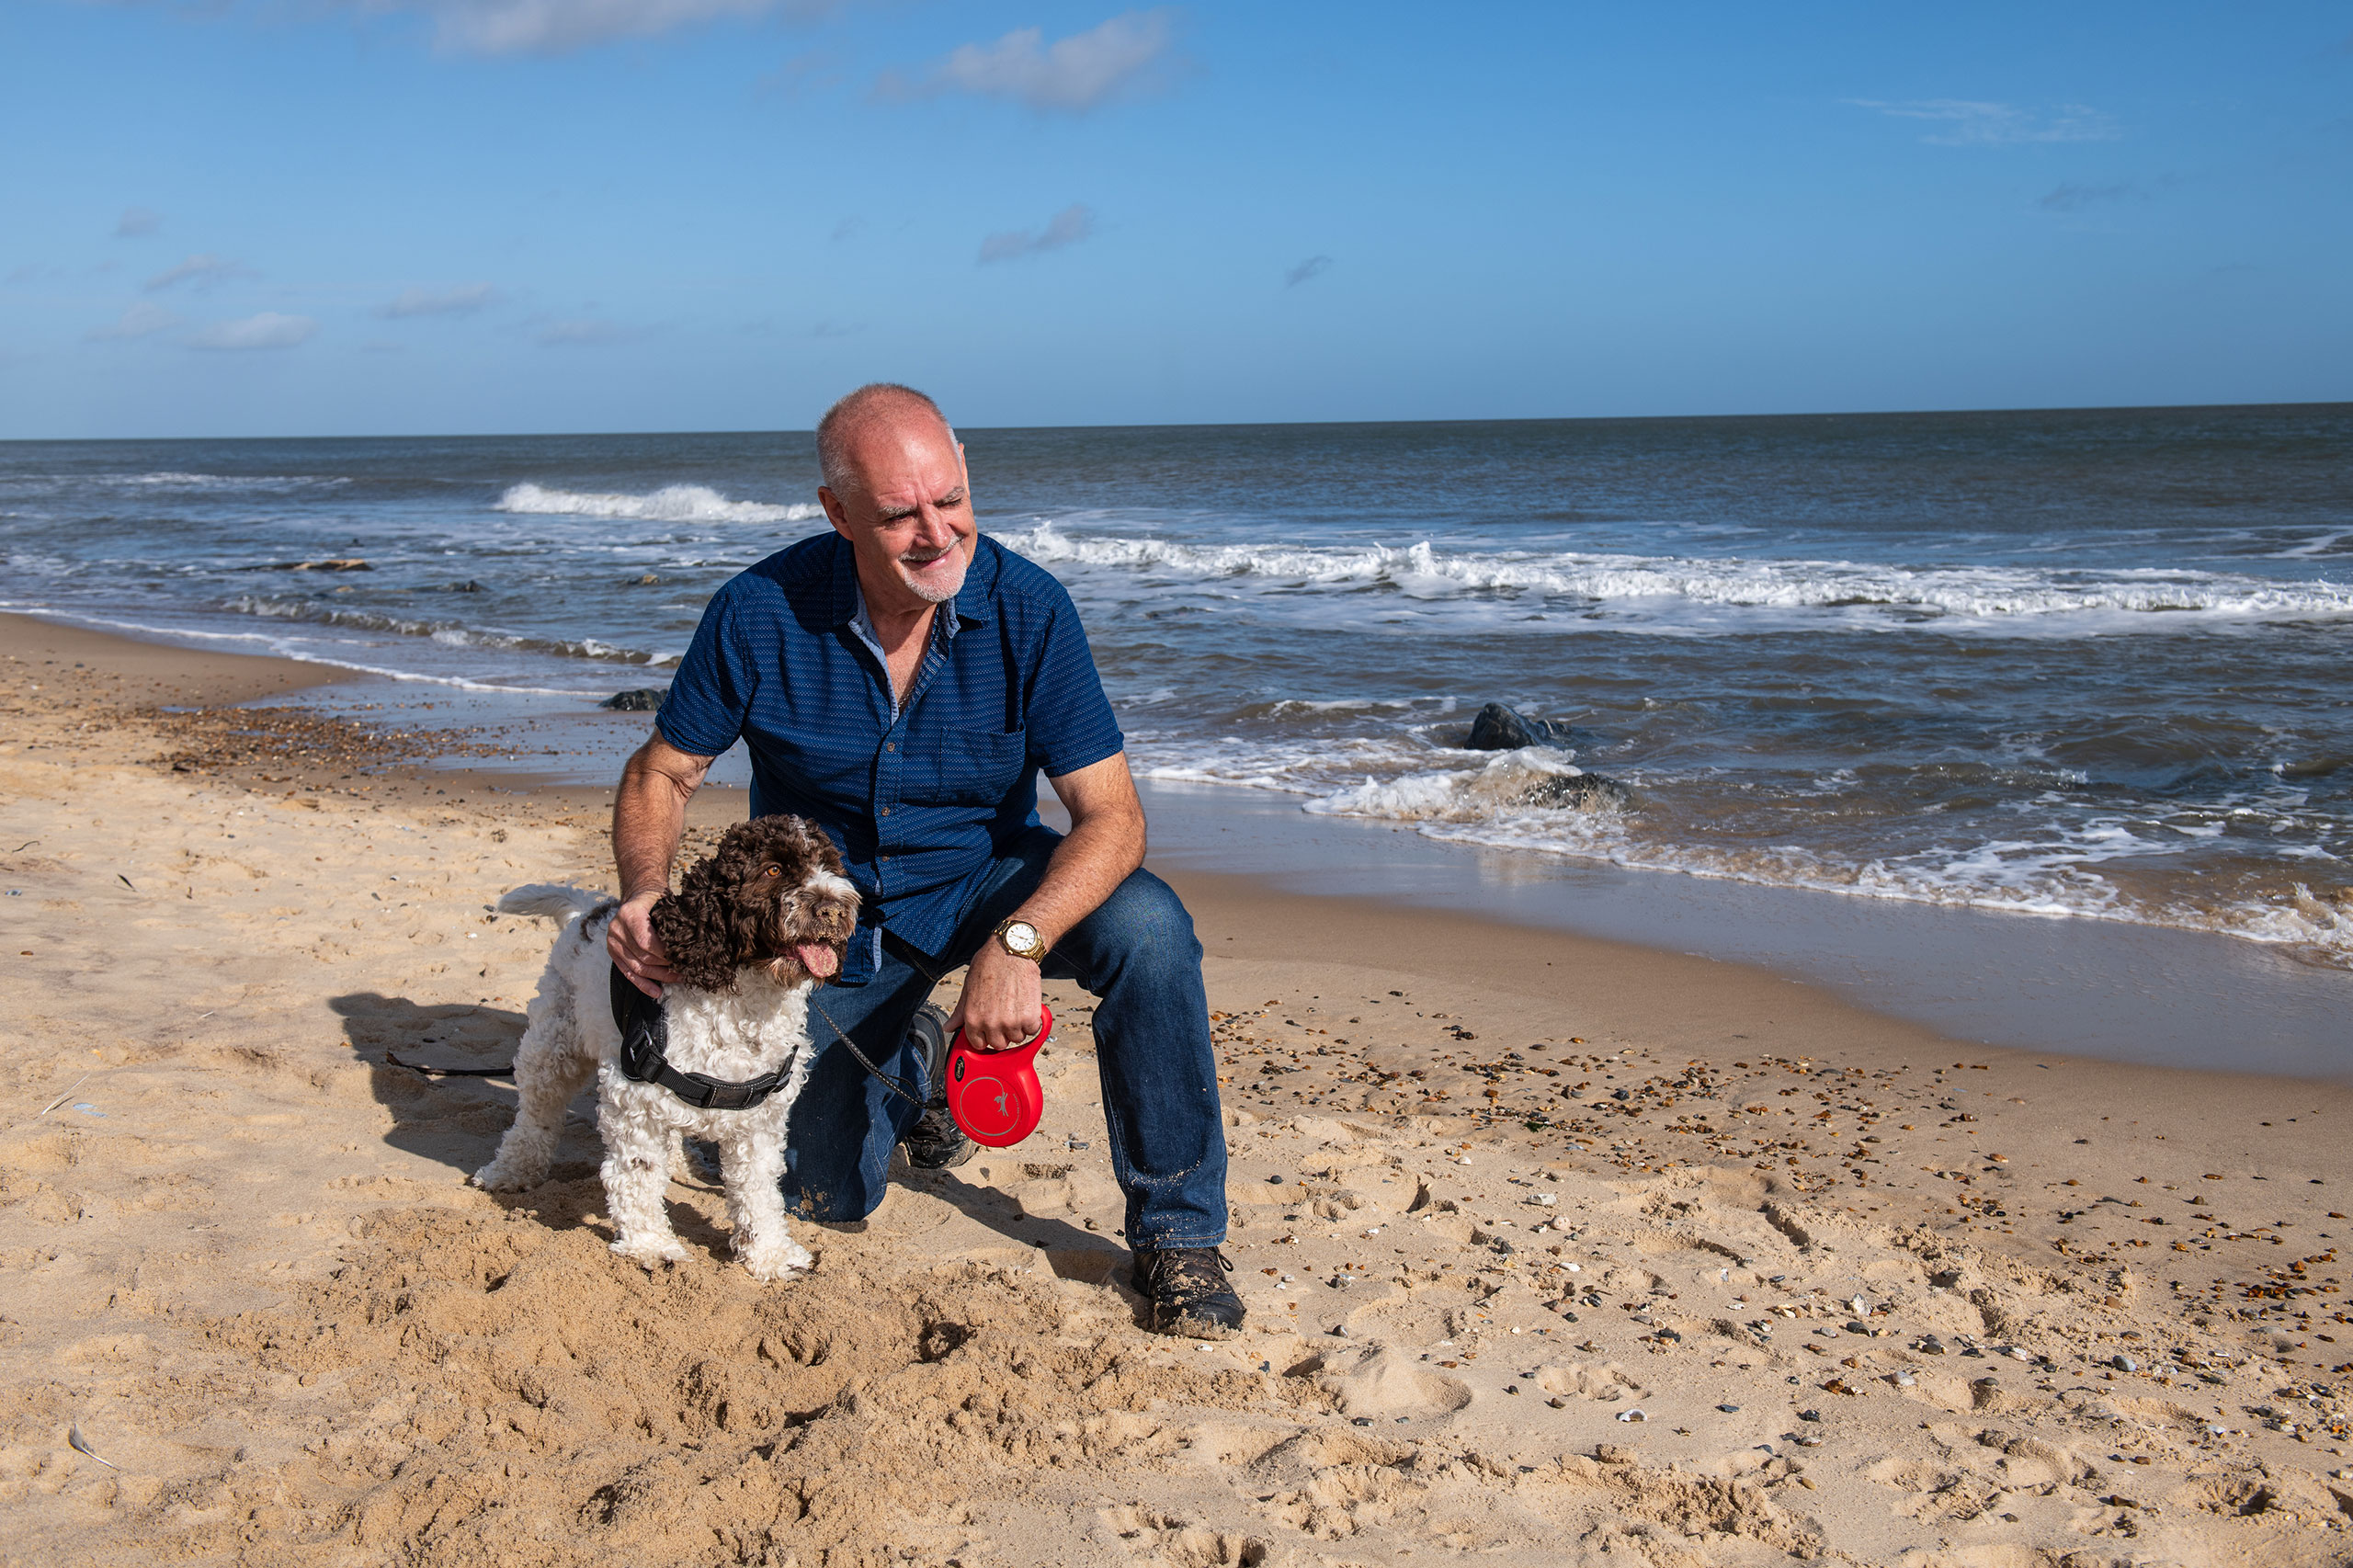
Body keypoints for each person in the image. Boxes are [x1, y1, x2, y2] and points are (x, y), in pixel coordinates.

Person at [604, 382, 1242, 1338]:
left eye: (950, 499)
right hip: (832, 919)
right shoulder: (757, 611)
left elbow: (1111, 818)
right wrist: (645, 892)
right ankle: (913, 1052)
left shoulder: (1030, 609)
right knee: (823, 1197)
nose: (937, 533)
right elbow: (663, 771)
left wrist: (1019, 942)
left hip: (990, 877)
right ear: (838, 513)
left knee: (1152, 930)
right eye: (901, 513)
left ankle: (1179, 1234)